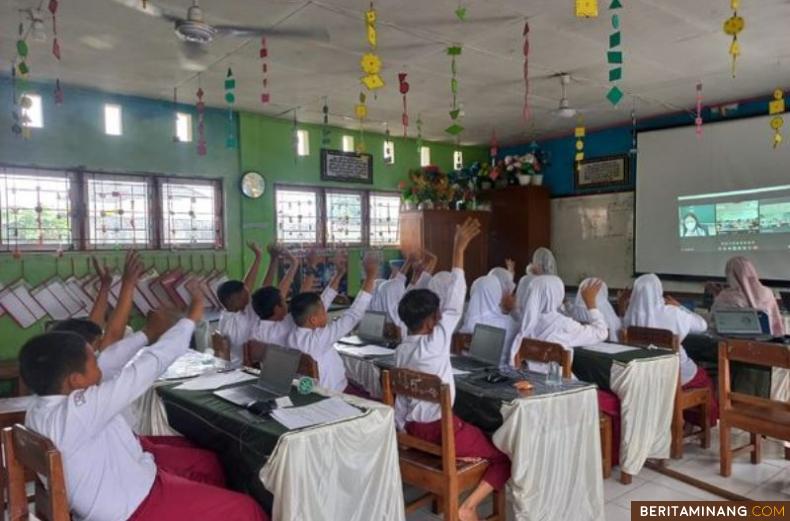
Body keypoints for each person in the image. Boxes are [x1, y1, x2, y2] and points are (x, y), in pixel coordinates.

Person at [21, 284, 268, 521]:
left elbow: (110, 363)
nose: (100, 366)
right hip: (133, 506)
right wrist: (189, 320)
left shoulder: (39, 408)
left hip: (126, 486)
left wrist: (150, 333)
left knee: (208, 464)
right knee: (246, 510)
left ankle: (205, 506)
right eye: (93, 363)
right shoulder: (78, 411)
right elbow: (147, 365)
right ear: (75, 381)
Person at [395, 218, 510, 521]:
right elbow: (456, 300)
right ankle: (467, 506)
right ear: (433, 320)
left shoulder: (401, 351)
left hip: (412, 430)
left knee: (473, 424)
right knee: (503, 457)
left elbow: (401, 403)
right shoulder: (435, 342)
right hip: (440, 432)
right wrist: (459, 249)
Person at [623, 273, 717, 425]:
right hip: (676, 376)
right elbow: (702, 325)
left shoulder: (629, 318)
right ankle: (702, 422)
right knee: (704, 378)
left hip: (647, 378)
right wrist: (679, 306)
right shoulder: (673, 313)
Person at [284, 254, 378, 393]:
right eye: (323, 311)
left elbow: (323, 300)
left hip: (308, 390)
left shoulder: (292, 329)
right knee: (375, 396)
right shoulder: (318, 339)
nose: (325, 312)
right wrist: (371, 275)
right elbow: (354, 314)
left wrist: (339, 274)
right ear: (313, 320)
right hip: (332, 394)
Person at [216, 243, 295, 364]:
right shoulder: (245, 316)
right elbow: (273, 293)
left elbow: (263, 289)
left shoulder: (225, 315)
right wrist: (294, 265)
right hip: (250, 368)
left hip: (235, 364)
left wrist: (265, 258)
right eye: (246, 293)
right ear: (235, 299)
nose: (250, 294)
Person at [249, 250, 347, 348]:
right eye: (283, 302)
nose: (286, 305)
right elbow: (306, 298)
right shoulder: (283, 326)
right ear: (277, 309)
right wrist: (312, 265)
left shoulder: (255, 327)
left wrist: (338, 275)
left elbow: (272, 293)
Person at [510, 275, 607, 370]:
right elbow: (601, 333)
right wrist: (591, 304)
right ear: (558, 294)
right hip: (555, 380)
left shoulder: (523, 319)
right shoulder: (562, 324)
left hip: (528, 377)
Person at [712, 256, 785, 336]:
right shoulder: (767, 293)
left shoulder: (725, 297)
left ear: (730, 275)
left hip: (733, 344)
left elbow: (714, 324)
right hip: (767, 344)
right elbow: (776, 323)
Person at [461, 274, 518, 366]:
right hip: (497, 374)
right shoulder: (508, 323)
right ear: (497, 293)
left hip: (467, 369)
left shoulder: (467, 321)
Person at [567, 277, 622, 342]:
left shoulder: (577, 309)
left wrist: (566, 303)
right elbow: (618, 327)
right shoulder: (606, 308)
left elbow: (569, 312)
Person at [513, 247, 558, 322]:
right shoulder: (555, 281)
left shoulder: (526, 280)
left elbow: (518, 305)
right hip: (550, 323)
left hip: (527, 322)